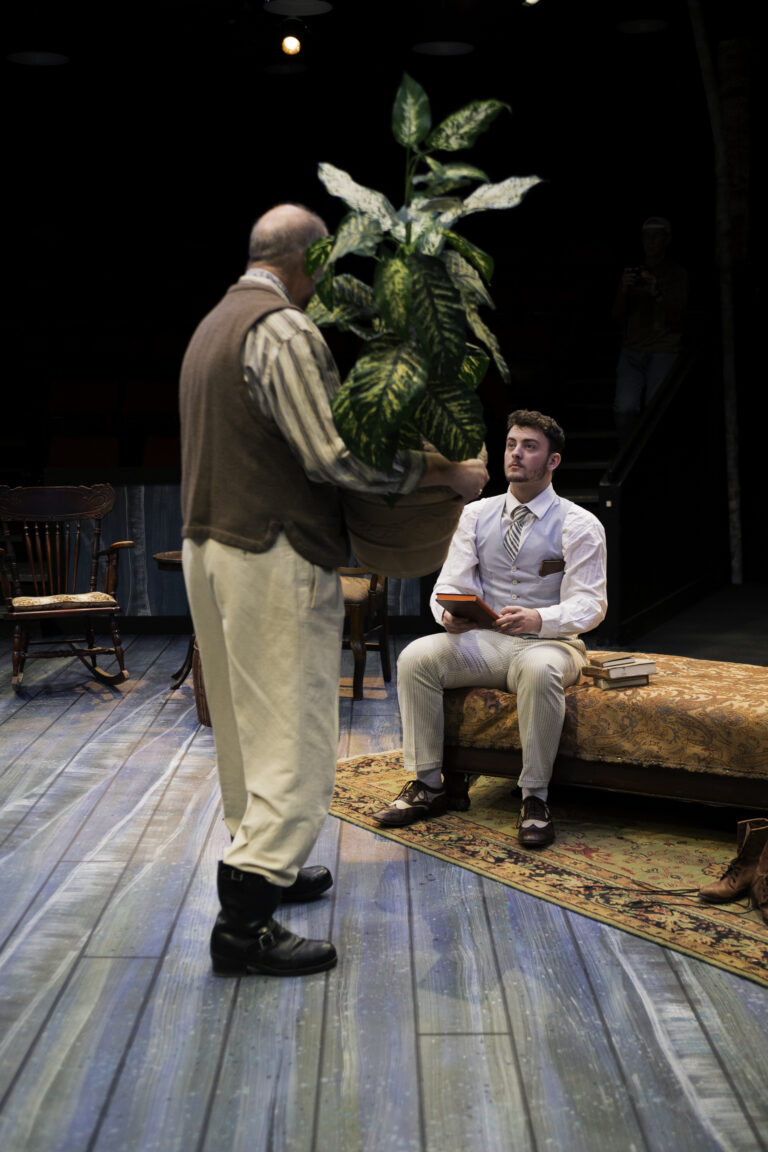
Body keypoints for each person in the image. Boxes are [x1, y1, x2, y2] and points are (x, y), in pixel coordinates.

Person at [179, 203, 488, 977]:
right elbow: (334, 456)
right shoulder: (280, 329)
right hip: (270, 549)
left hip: (210, 545)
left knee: (248, 731)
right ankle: (243, 925)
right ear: (310, 263)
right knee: (293, 730)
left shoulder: (212, 326)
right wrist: (443, 473)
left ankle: (268, 872)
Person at [373, 409, 607, 847]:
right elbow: (450, 583)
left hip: (552, 644)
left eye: (529, 446)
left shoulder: (579, 524)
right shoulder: (476, 515)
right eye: (511, 444)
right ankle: (429, 785)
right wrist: (448, 614)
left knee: (539, 670)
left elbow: (591, 605)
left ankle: (534, 797)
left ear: (553, 461)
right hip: (487, 642)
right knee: (417, 657)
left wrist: (541, 618)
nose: (516, 454)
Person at [613, 216, 688, 442]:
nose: (651, 241)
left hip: (664, 349)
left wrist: (657, 291)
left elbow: (678, 316)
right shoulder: (634, 274)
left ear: (667, 239)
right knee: (625, 409)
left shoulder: (676, 274)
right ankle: (626, 458)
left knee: (656, 409)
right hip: (633, 350)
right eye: (647, 236)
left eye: (656, 236)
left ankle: (654, 457)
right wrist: (624, 291)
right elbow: (617, 316)